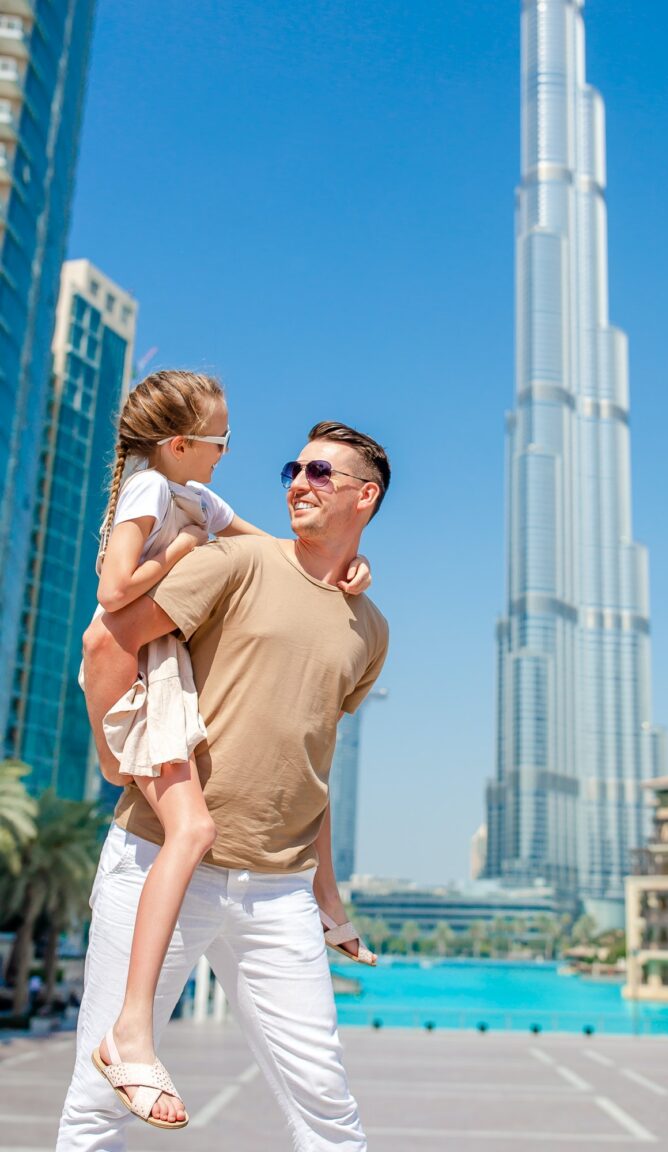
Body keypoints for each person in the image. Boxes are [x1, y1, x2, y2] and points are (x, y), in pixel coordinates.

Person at [57, 419, 389, 1151]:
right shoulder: (236, 563)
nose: (299, 483)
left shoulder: (371, 628)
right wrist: (118, 765)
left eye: (321, 473)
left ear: (365, 497)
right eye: (294, 470)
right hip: (159, 861)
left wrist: (328, 900)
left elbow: (311, 763)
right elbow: (107, 641)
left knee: (326, 1104)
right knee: (98, 1100)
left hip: (279, 893)